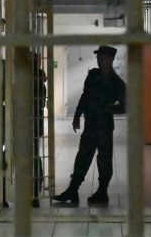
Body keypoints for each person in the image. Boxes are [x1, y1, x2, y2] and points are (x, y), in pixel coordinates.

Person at [53, 45, 126, 206]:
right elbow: (85, 96)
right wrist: (77, 115)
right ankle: (73, 189)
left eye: (102, 58)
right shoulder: (93, 75)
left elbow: (125, 106)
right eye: (98, 58)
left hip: (104, 126)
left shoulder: (117, 83)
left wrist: (110, 109)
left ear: (111, 59)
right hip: (91, 124)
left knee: (104, 160)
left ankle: (102, 191)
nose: (99, 60)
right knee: (82, 158)